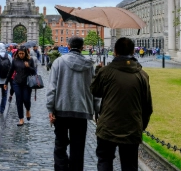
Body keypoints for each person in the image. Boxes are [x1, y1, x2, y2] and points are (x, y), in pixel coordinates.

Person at [91, 37, 153, 171]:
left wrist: (98, 71)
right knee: (130, 164)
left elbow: (94, 90)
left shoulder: (105, 72)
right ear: (132, 51)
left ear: (115, 51)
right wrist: (141, 126)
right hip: (132, 127)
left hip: (108, 126)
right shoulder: (142, 75)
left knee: (105, 161)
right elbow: (147, 106)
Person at [46, 36, 94, 171]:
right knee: (78, 149)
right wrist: (96, 109)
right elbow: (94, 89)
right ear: (82, 47)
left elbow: (52, 88)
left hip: (61, 110)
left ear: (68, 47)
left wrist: (50, 109)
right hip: (81, 111)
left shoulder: (58, 62)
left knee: (60, 146)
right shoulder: (89, 65)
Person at [4, 46, 35, 126]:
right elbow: (10, 72)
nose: (21, 55)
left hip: (27, 84)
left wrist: (28, 67)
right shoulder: (15, 60)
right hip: (17, 83)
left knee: (26, 99)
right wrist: (6, 82)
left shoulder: (30, 60)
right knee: (19, 100)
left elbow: (34, 72)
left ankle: (28, 109)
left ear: (25, 53)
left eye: (22, 53)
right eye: (20, 53)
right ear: (17, 53)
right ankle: (21, 118)